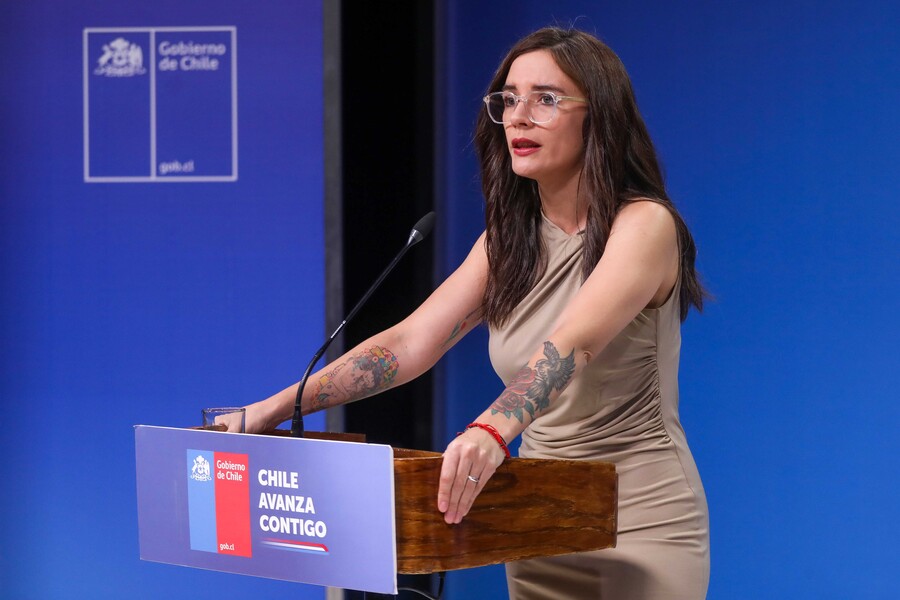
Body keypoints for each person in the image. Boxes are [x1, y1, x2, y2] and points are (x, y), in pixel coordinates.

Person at [232, 26, 709, 600]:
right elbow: (409, 344)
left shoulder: (645, 225)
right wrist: (270, 410)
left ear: (599, 117)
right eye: (508, 99)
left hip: (639, 519)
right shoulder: (506, 243)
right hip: (540, 514)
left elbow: (572, 344)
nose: (519, 117)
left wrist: (489, 431)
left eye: (546, 99)